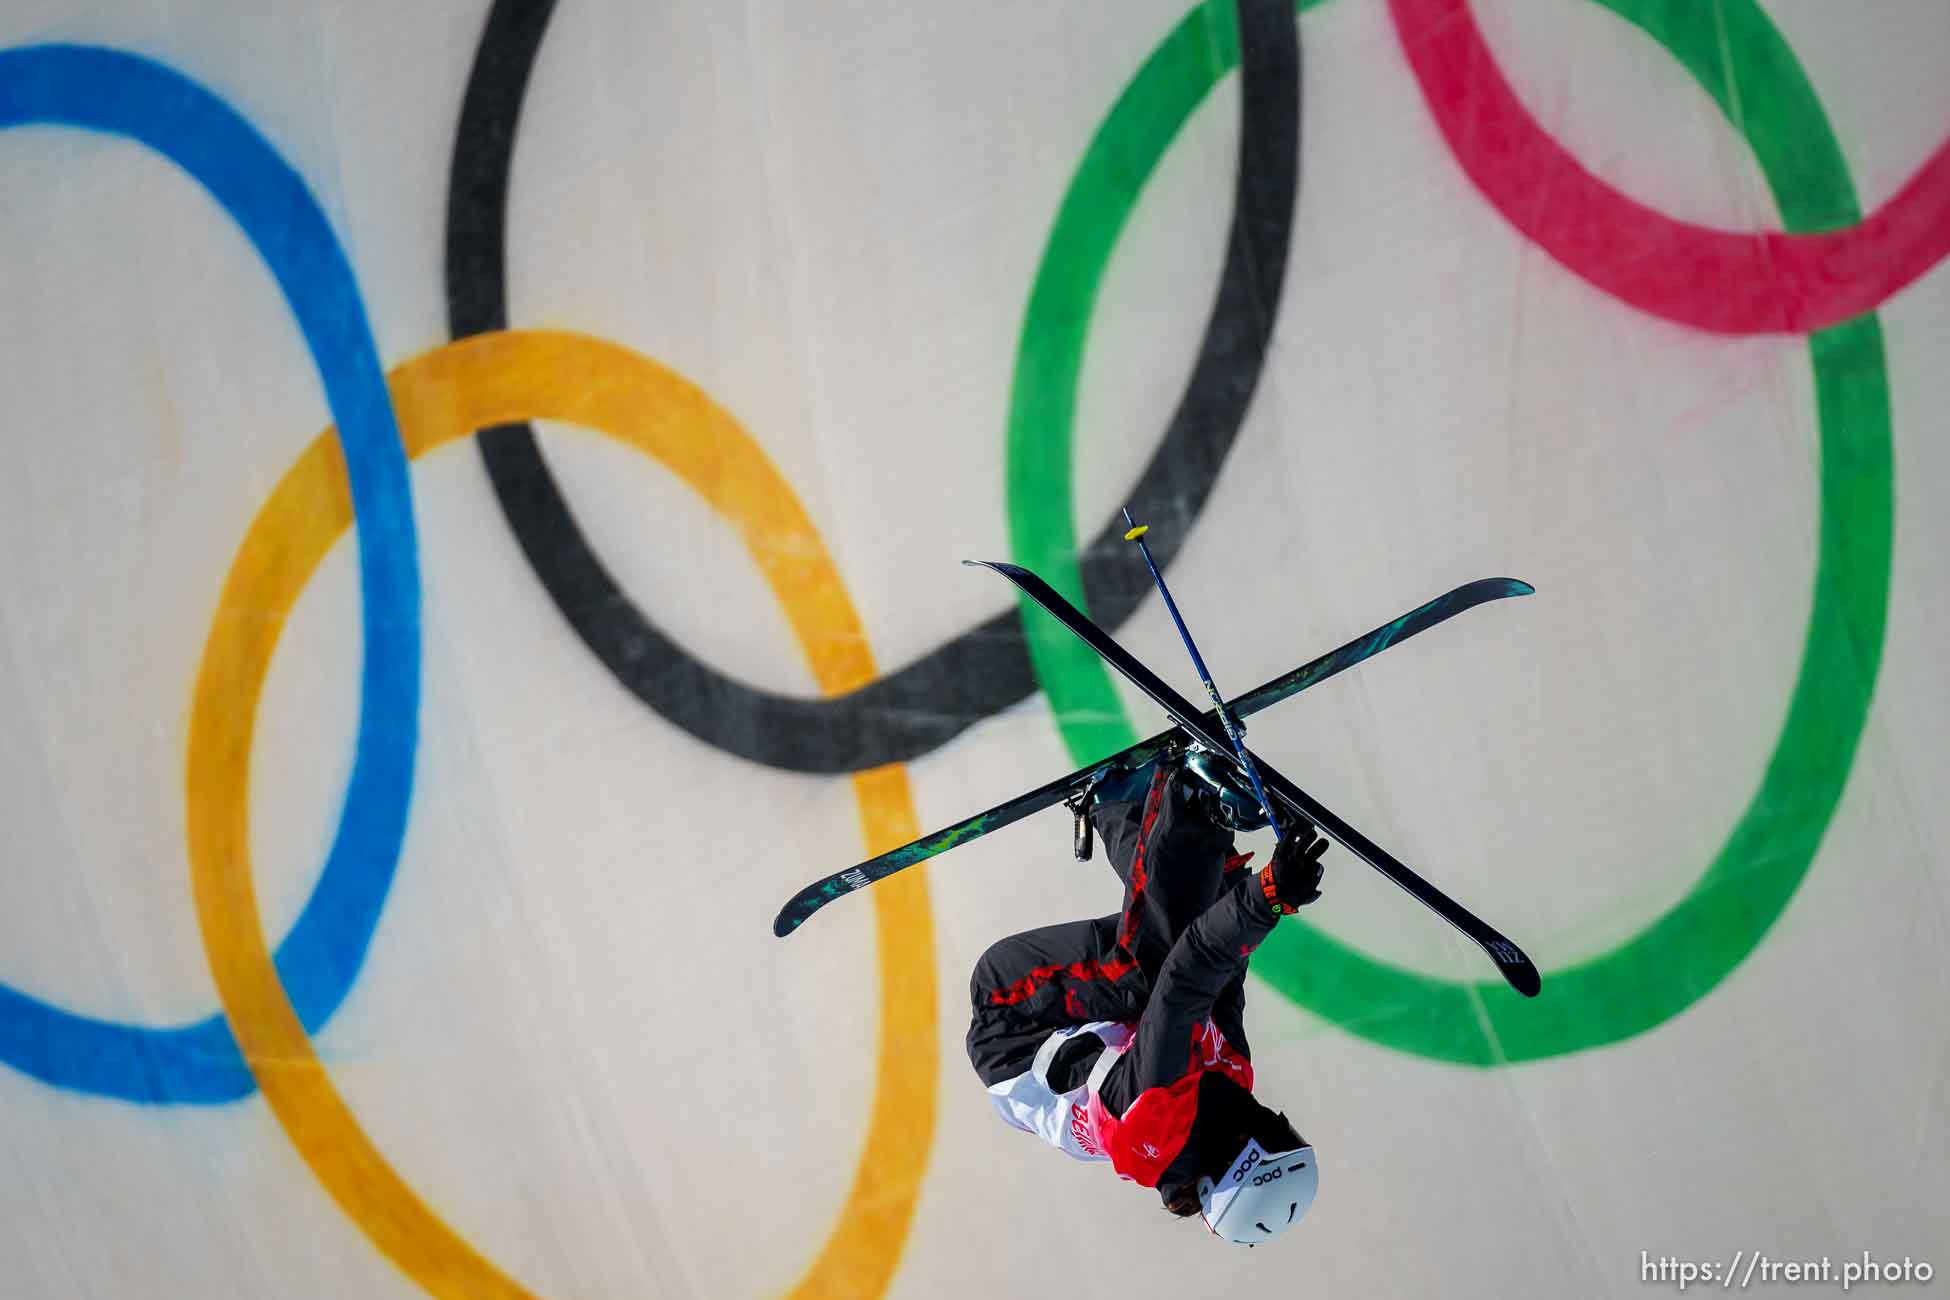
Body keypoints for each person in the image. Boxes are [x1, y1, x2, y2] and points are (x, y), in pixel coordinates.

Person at [965, 749, 1329, 1245]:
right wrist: (1230, 880)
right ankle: (1122, 804)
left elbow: (1182, 981)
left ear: (1242, 1157)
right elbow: (1223, 975)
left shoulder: (1156, 1118)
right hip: (1092, 1029)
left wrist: (1267, 898)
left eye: (1281, 1140)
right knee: (1177, 939)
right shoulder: (1230, 1085)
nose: (1283, 1120)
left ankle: (1190, 801)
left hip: (1014, 1023)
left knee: (1148, 970)